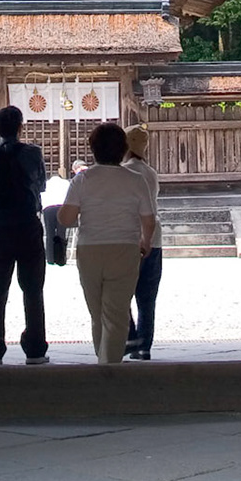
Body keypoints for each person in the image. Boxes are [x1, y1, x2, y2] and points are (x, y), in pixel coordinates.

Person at [58, 122, 156, 364]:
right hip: (124, 248)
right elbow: (148, 218)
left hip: (90, 249)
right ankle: (109, 368)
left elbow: (66, 219)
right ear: (123, 149)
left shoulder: (83, 180)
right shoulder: (136, 179)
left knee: (97, 312)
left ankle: (103, 361)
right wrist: (146, 242)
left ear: (93, 149)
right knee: (117, 313)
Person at [0, 106, 50, 365]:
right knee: (33, 289)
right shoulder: (33, 153)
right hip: (28, 226)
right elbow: (41, 185)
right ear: (20, 127)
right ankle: (36, 348)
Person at [122, 125, 162, 360]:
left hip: (130, 237)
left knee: (121, 292)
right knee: (147, 298)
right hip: (154, 238)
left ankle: (131, 335)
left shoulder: (124, 172)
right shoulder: (150, 172)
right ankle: (145, 345)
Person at [41, 164, 72, 267]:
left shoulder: (46, 183)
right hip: (62, 207)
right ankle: (61, 259)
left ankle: (50, 258)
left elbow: (41, 196)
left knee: (50, 234)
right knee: (61, 233)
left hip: (48, 208)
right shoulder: (65, 183)